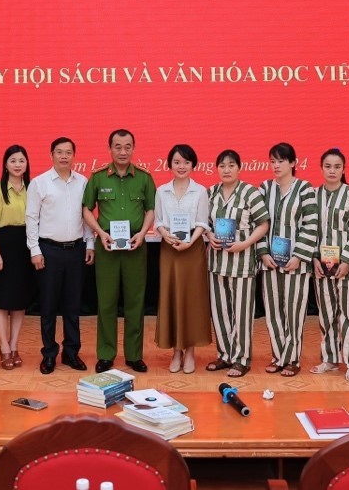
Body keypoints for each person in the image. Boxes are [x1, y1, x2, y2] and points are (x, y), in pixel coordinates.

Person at [82, 129, 156, 373]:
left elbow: (150, 210)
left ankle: (134, 355)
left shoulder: (144, 178)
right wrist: (100, 233)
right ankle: (106, 354)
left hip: (136, 248)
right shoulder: (98, 177)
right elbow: (86, 209)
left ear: (133, 148)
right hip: (107, 249)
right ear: (110, 148)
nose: (122, 151)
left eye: (127, 147)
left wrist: (143, 233)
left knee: (135, 302)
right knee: (106, 303)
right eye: (117, 146)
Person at [26, 137, 92, 374]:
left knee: (73, 306)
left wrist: (90, 244)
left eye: (68, 153)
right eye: (59, 152)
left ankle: (71, 353)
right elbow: (31, 218)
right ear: (51, 155)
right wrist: (34, 250)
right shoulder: (39, 183)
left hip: (75, 250)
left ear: (74, 155)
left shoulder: (83, 182)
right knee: (49, 306)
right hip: (49, 251)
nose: (64, 156)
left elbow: (86, 216)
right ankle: (49, 354)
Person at [206, 149, 270, 379]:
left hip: (242, 262)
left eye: (231, 165)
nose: (226, 169)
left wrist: (245, 243)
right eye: (222, 165)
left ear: (239, 168)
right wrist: (209, 236)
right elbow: (203, 224)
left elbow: (263, 224)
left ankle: (242, 359)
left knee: (242, 313)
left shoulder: (250, 193)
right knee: (220, 311)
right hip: (216, 262)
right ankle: (225, 354)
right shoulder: (210, 193)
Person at [257, 143, 320, 377]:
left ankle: (292, 359)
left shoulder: (305, 189)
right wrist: (263, 253)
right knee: (273, 312)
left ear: (293, 163)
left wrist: (299, 256)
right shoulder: (264, 188)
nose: (276, 165)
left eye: (281, 161)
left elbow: (311, 225)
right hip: (270, 261)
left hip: (297, 263)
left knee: (294, 311)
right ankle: (277, 356)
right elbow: (259, 224)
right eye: (273, 161)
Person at [310, 148, 349, 382]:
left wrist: (347, 260)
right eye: (328, 166)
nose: (332, 171)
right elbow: (310, 230)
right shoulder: (314, 195)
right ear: (321, 168)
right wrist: (314, 256)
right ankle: (330, 359)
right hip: (322, 266)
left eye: (337, 167)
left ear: (344, 169)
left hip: (348, 267)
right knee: (326, 314)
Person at [153, 144, 212, 374]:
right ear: (170, 165)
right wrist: (166, 235)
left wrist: (190, 241)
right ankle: (175, 351)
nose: (181, 166)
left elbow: (202, 222)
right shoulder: (161, 191)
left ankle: (190, 352)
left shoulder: (200, 191)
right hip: (169, 250)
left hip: (192, 249)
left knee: (191, 299)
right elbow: (157, 221)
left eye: (186, 162)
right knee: (171, 297)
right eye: (177, 162)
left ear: (193, 165)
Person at [0, 145, 32, 370]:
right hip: (3, 245)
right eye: (13, 160)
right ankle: (3, 346)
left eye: (21, 160)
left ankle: (14, 345)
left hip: (24, 246)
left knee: (20, 300)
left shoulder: (31, 188)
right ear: (5, 164)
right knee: (2, 301)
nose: (17, 164)